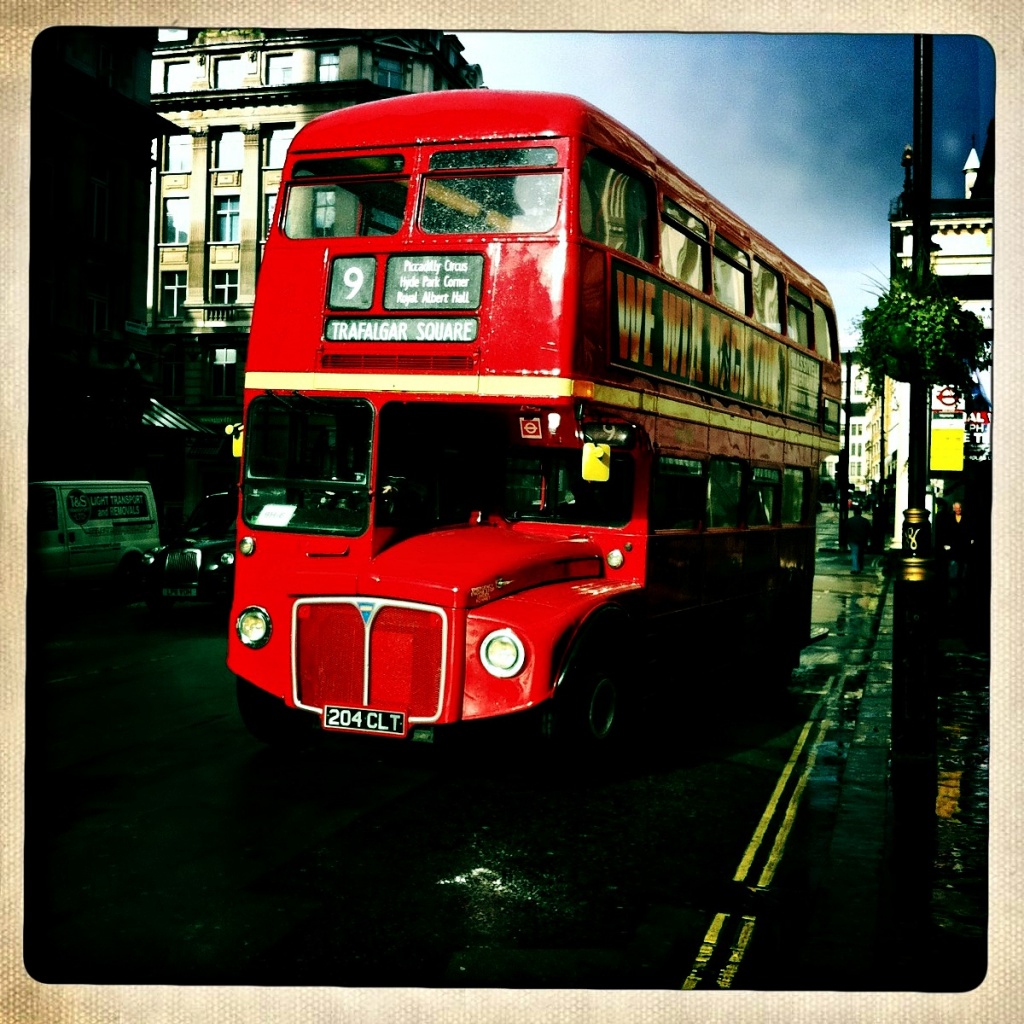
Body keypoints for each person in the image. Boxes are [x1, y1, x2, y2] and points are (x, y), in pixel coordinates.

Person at [846, 505, 871, 574]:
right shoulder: (865, 521)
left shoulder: (849, 521)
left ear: (854, 513)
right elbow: (869, 531)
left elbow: (845, 531)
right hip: (862, 540)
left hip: (852, 540)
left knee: (854, 553)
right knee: (860, 554)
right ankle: (859, 567)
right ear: (861, 513)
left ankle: (855, 568)